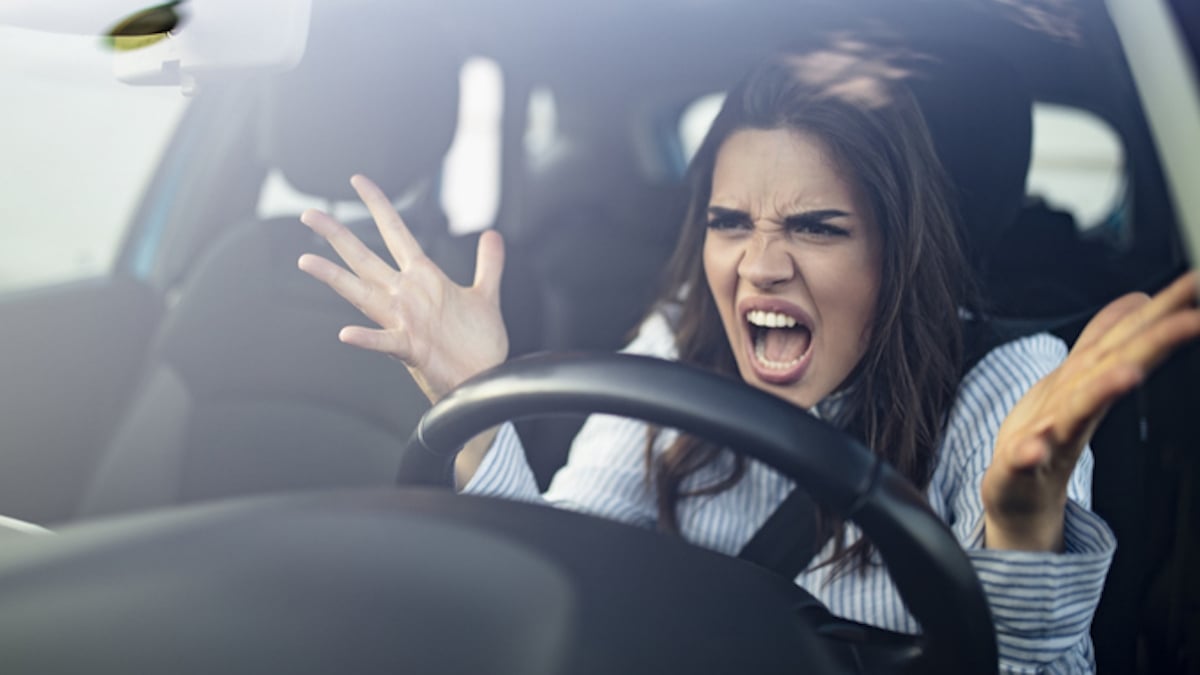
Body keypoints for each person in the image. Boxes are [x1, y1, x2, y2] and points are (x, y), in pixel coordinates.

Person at [296, 46, 1200, 673]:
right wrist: (476, 405)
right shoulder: (680, 334)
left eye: (816, 227)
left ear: (897, 251)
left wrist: (1022, 530)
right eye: (731, 223)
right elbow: (567, 574)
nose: (759, 266)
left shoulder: (1006, 383)